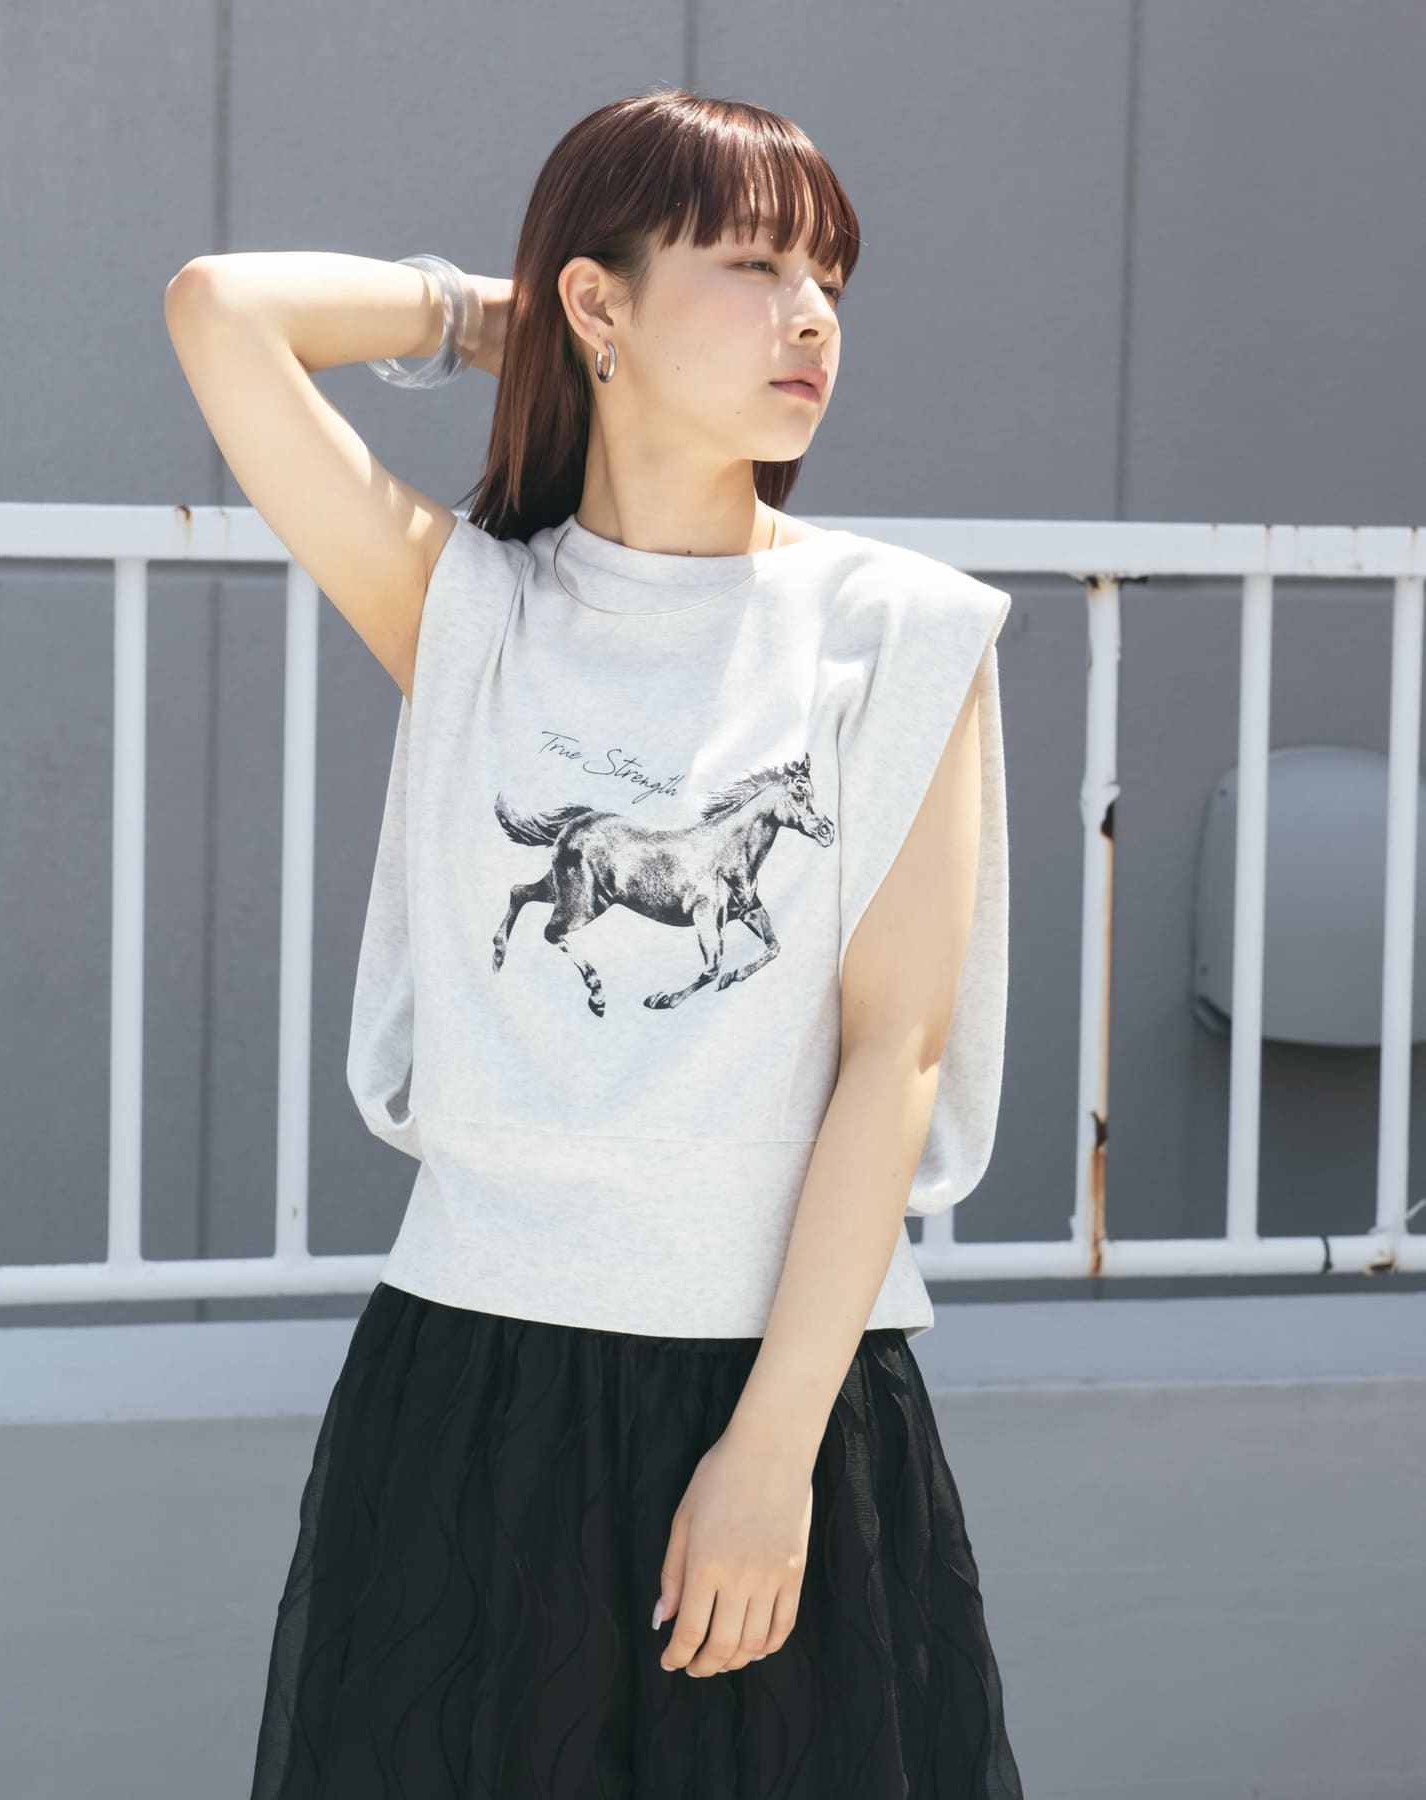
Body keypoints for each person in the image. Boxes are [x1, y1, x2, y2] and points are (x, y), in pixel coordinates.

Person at [166, 85, 1024, 1800]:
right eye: (754, 266)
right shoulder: (475, 607)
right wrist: (506, 328)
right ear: (594, 296)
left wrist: (771, 1454)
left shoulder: (895, 629)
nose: (811, 316)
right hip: (472, 1377)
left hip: (784, 1390)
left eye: (831, 279)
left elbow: (896, 1055)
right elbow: (219, 310)